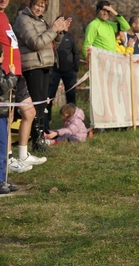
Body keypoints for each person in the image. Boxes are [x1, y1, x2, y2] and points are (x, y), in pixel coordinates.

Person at [14, 0, 71, 151]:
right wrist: (53, 29)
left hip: (45, 65)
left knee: (42, 105)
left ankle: (39, 139)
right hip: (33, 66)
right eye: (37, 5)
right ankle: (35, 141)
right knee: (36, 105)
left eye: (42, 6)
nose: (39, 9)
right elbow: (36, 43)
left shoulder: (41, 20)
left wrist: (60, 31)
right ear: (31, 4)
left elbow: (51, 44)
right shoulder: (23, 20)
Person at [0, 0, 47, 172]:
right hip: (6, 74)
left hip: (16, 73)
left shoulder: (4, 16)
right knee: (8, 115)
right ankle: (9, 158)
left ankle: (23, 154)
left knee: (29, 111)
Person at [46, 16, 80, 131]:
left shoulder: (69, 37)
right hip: (54, 71)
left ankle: (74, 120)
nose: (64, 25)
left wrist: (76, 67)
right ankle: (47, 120)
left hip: (69, 72)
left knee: (71, 97)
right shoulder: (51, 35)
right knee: (49, 96)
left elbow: (76, 52)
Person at [0, 44, 19, 193]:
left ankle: (4, 178)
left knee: (4, 146)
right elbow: (2, 87)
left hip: (3, 113)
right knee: (1, 147)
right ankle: (0, 180)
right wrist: (12, 75)